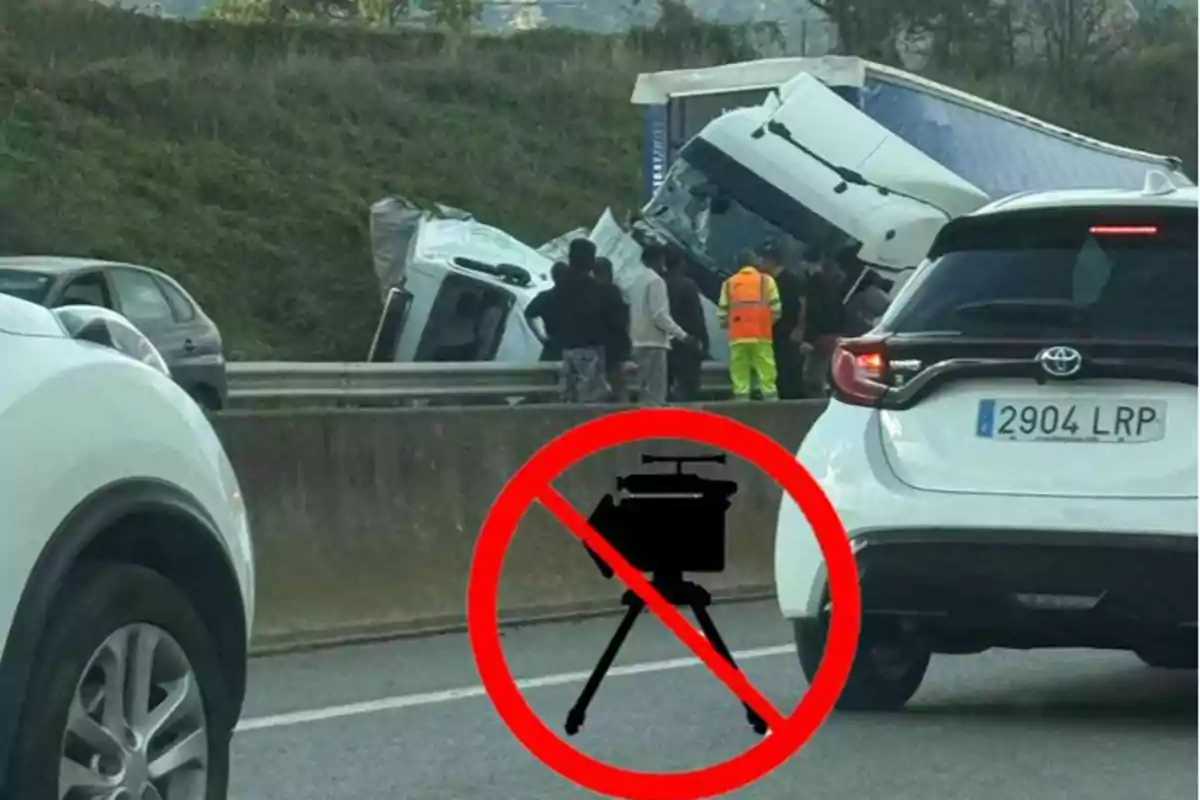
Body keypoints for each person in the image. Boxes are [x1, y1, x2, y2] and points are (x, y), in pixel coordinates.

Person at [626, 242, 695, 404]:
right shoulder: (656, 281)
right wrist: (683, 336)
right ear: (660, 260)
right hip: (654, 343)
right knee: (656, 394)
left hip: (638, 341)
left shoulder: (635, 281)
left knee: (645, 391)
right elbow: (660, 316)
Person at [718, 249, 782, 401]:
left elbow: (723, 312)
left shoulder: (729, 283)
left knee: (739, 367)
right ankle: (770, 396)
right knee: (766, 365)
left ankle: (742, 397)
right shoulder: (766, 281)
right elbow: (776, 309)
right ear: (755, 263)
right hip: (761, 334)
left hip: (738, 335)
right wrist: (767, 323)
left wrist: (729, 325)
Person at [555, 239, 609, 403]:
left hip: (566, 350)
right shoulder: (594, 290)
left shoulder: (561, 286)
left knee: (567, 399)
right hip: (588, 352)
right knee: (587, 402)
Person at [759, 239, 807, 399]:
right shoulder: (768, 282)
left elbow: (802, 304)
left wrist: (799, 328)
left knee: (788, 369)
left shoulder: (790, 281)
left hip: (787, 333)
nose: (761, 263)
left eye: (763, 259)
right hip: (772, 333)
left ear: (771, 261)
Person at [663, 247, 708, 402]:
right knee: (689, 386)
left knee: (665, 386)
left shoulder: (659, 283)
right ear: (681, 263)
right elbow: (696, 316)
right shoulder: (687, 285)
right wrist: (703, 341)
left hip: (665, 341)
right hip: (687, 341)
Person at [800, 251, 847, 397]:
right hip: (834, 334)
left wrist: (808, 338)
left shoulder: (814, 284)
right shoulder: (834, 282)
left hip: (820, 337)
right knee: (829, 373)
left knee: (813, 376)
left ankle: (820, 403)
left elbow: (814, 312)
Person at [593, 256, 632, 402]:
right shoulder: (613, 291)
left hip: (592, 348)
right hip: (612, 348)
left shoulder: (589, 290)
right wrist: (626, 348)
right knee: (619, 388)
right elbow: (621, 322)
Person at [524, 261, 567, 361]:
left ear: (553, 277)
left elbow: (528, 314)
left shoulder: (546, 297)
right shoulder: (577, 298)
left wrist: (540, 336)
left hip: (552, 350)